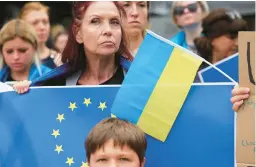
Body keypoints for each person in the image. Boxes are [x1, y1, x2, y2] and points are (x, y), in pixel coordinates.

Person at [30, 1, 133, 86]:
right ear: (78, 33)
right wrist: (24, 93)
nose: (108, 30)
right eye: (95, 21)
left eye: (114, 22)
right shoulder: (55, 85)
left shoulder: (139, 82)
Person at [0, 19, 51, 86]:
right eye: (9, 51)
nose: (16, 57)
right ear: (1, 51)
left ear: (34, 47)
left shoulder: (49, 78)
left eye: (22, 50)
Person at [19, 2, 62, 69]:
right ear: (22, 27)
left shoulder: (59, 59)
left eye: (45, 22)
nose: (42, 27)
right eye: (35, 23)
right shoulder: (14, 60)